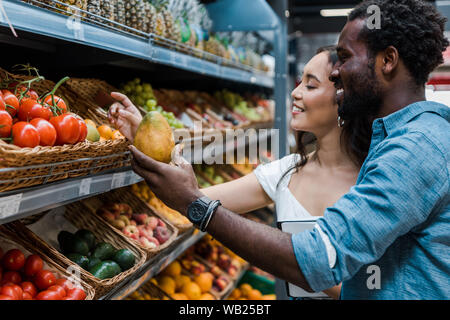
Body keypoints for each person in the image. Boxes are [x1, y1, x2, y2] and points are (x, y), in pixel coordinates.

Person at [117, 0, 450, 299]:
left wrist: (199, 207)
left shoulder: (414, 149)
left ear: (388, 60)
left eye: (345, 57)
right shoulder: (396, 143)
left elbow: (318, 259)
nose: (337, 71)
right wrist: (150, 137)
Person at [109, 46, 373, 299]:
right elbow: (190, 197)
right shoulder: (286, 171)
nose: (295, 93)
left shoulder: (374, 180)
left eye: (310, 85)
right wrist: (147, 137)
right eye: (299, 82)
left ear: (344, 99)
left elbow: (361, 287)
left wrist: (298, 263)